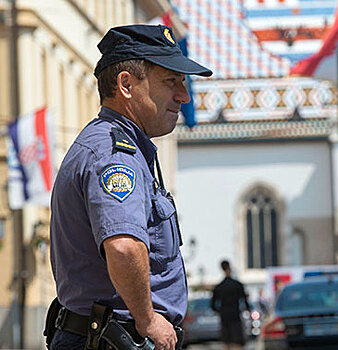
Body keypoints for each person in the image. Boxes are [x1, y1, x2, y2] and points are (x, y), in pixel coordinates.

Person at [45, 24, 212, 350]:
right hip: (113, 339)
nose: (184, 95)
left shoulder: (121, 147)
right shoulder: (113, 154)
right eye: (171, 81)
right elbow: (123, 247)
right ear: (126, 85)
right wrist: (148, 319)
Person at [211, 260, 251, 350]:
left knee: (226, 342)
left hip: (224, 315)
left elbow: (213, 305)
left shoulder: (219, 287)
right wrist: (248, 309)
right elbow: (244, 300)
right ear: (230, 268)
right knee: (237, 341)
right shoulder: (237, 285)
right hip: (235, 315)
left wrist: (219, 311)